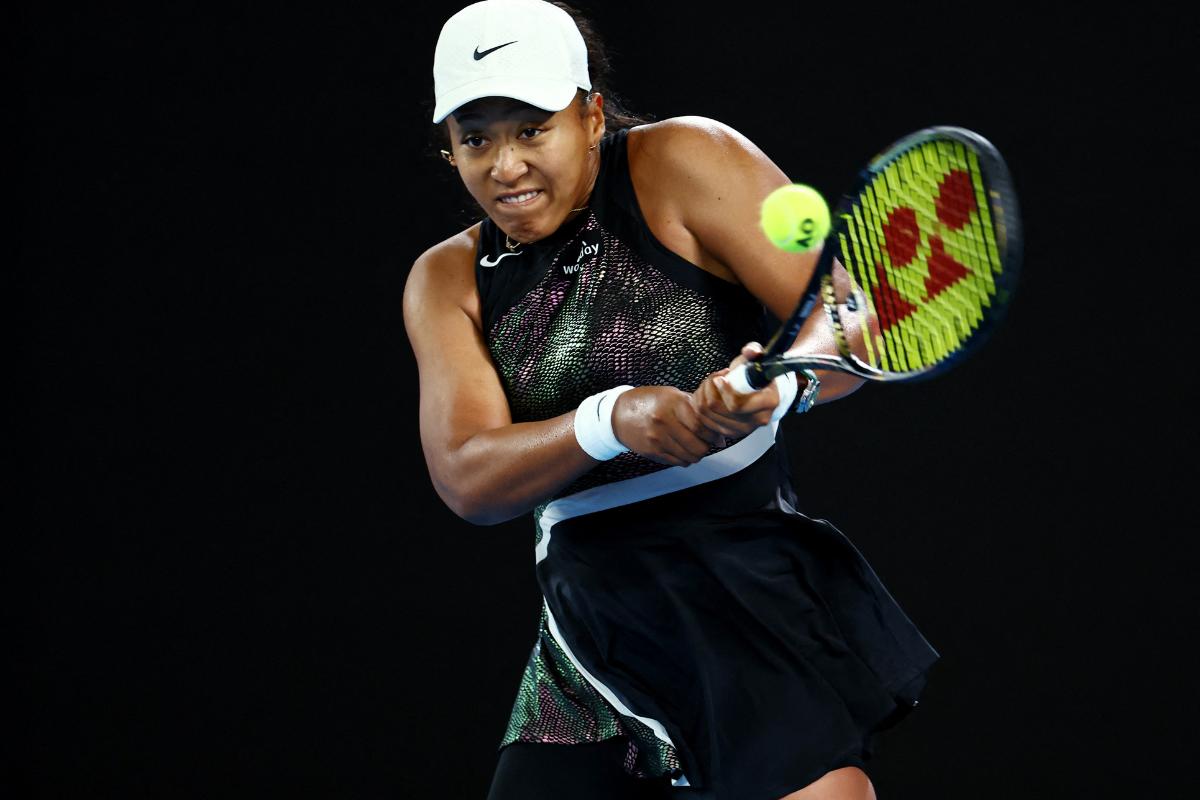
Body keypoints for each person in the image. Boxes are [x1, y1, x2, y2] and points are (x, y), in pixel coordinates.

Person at [403, 2, 939, 798]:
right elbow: (466, 476)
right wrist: (612, 420)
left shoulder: (688, 158)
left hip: (745, 588)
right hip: (589, 630)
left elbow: (849, 317)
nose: (506, 165)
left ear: (589, 116)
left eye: (532, 128)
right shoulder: (445, 280)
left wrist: (779, 388)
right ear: (449, 150)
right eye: (476, 137)